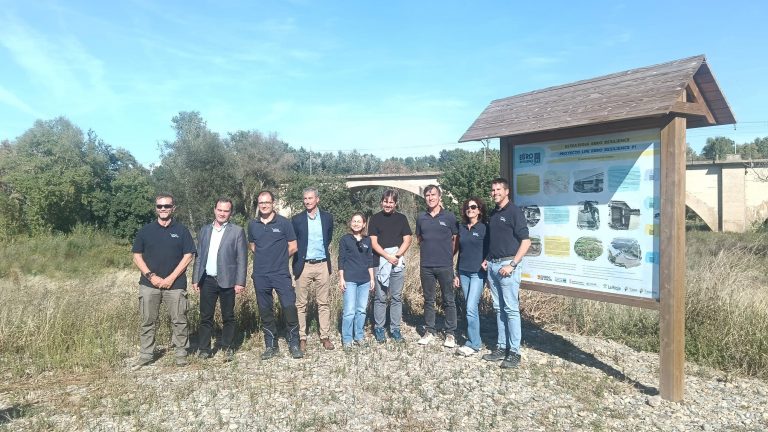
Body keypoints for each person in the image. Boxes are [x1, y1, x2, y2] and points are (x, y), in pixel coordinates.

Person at [131, 193, 196, 368]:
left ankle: (181, 353)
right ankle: (146, 354)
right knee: (147, 320)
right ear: (156, 208)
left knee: (179, 320)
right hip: (149, 285)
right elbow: (137, 256)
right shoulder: (145, 231)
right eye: (160, 206)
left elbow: (188, 256)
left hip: (175, 285)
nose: (163, 209)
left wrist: (171, 278)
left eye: (167, 206)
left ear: (173, 208)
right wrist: (151, 276)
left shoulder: (182, 231)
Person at [482, 178, 531, 369]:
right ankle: (501, 347)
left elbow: (526, 241)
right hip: (493, 266)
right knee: (498, 308)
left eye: (498, 189)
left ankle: (514, 352)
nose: (495, 193)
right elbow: (495, 240)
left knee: (511, 309)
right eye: (493, 190)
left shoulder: (514, 212)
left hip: (507, 266)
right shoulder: (494, 213)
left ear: (507, 191)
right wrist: (487, 258)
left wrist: (512, 265)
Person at [191, 197, 248, 362]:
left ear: (230, 213)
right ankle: (204, 349)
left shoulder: (237, 231)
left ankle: (228, 347)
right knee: (205, 317)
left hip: (228, 280)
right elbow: (199, 256)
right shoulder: (204, 230)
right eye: (220, 210)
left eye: (226, 211)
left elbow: (242, 259)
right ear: (214, 210)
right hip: (207, 280)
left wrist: (240, 282)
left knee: (228, 316)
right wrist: (196, 278)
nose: (222, 213)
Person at [247, 190, 302, 360]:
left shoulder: (284, 223)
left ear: (273, 203)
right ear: (258, 204)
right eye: (261, 202)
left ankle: (294, 343)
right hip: (260, 274)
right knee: (265, 310)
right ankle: (271, 345)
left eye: (267, 202)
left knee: (289, 307)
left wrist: (280, 258)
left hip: (280, 273)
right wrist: (265, 257)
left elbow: (293, 246)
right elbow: (253, 246)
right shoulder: (252, 224)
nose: (264, 205)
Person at [291, 187, 335, 353]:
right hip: (303, 265)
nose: (307, 201)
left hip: (322, 264)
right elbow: (294, 242)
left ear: (317, 199)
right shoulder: (296, 220)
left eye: (310, 198)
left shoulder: (327, 218)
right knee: (300, 304)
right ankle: (302, 337)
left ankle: (325, 336)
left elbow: (328, 238)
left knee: (323, 302)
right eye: (305, 199)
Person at [415, 185, 459, 347]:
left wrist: (448, 255)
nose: (430, 198)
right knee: (429, 300)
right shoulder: (421, 218)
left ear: (439, 197)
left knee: (449, 299)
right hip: (426, 266)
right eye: (427, 195)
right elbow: (419, 239)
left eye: (433, 194)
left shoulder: (449, 217)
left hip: (445, 265)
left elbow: (456, 239)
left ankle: (450, 333)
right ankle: (429, 330)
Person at [369, 189, 412, 343]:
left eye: (391, 202)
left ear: (395, 203)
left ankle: (395, 329)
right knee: (380, 297)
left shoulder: (402, 219)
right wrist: (388, 257)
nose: (388, 205)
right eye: (385, 202)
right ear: (382, 202)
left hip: (397, 263)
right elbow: (373, 242)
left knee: (396, 297)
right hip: (379, 262)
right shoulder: (375, 219)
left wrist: (397, 256)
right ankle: (379, 328)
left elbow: (408, 239)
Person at [453, 197, 489, 357]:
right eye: (468, 207)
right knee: (469, 307)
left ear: (479, 210)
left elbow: (490, 249)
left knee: (471, 308)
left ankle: (474, 344)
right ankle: (474, 339)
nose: (470, 210)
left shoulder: (484, 228)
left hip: (477, 273)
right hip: (464, 272)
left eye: (474, 207)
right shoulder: (461, 228)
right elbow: (460, 252)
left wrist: (487, 261)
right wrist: (457, 273)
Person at [337, 212, 376, 350]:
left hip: (364, 280)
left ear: (364, 224)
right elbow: (341, 260)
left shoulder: (367, 240)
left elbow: (370, 260)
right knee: (349, 311)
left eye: (359, 221)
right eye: (354, 221)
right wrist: (341, 278)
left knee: (361, 310)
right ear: (350, 223)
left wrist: (372, 278)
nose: (356, 224)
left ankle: (359, 336)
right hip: (350, 280)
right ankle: (347, 339)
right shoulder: (345, 239)